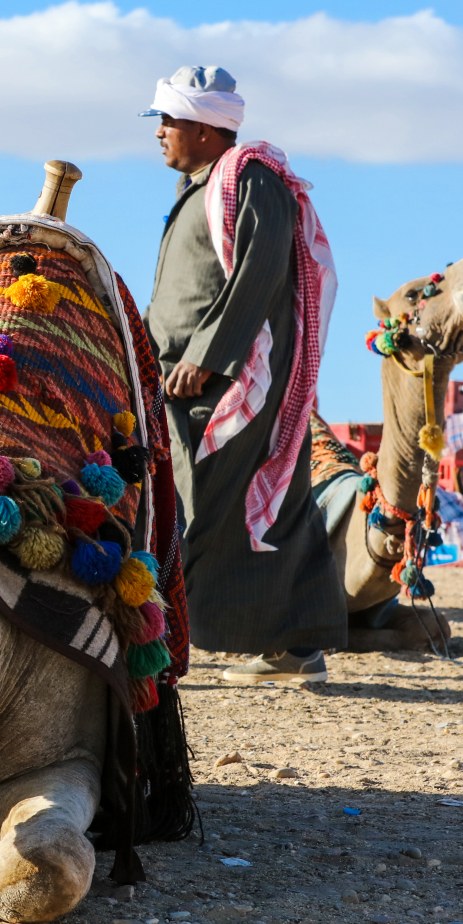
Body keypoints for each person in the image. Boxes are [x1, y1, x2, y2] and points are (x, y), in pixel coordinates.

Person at [141, 66, 346, 685]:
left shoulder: (252, 181)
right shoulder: (203, 186)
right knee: (231, 510)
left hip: (228, 382)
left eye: (170, 121)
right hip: (180, 380)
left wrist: (207, 355)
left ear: (206, 129)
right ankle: (293, 647)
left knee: (222, 512)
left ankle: (271, 645)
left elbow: (256, 278)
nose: (161, 133)